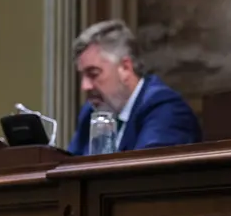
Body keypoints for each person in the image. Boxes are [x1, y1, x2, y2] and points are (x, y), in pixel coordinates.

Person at [66, 19, 201, 155]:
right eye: (83, 76)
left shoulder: (166, 109)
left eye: (93, 73)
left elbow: (144, 172)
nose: (85, 86)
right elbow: (68, 167)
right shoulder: (91, 113)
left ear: (125, 67)